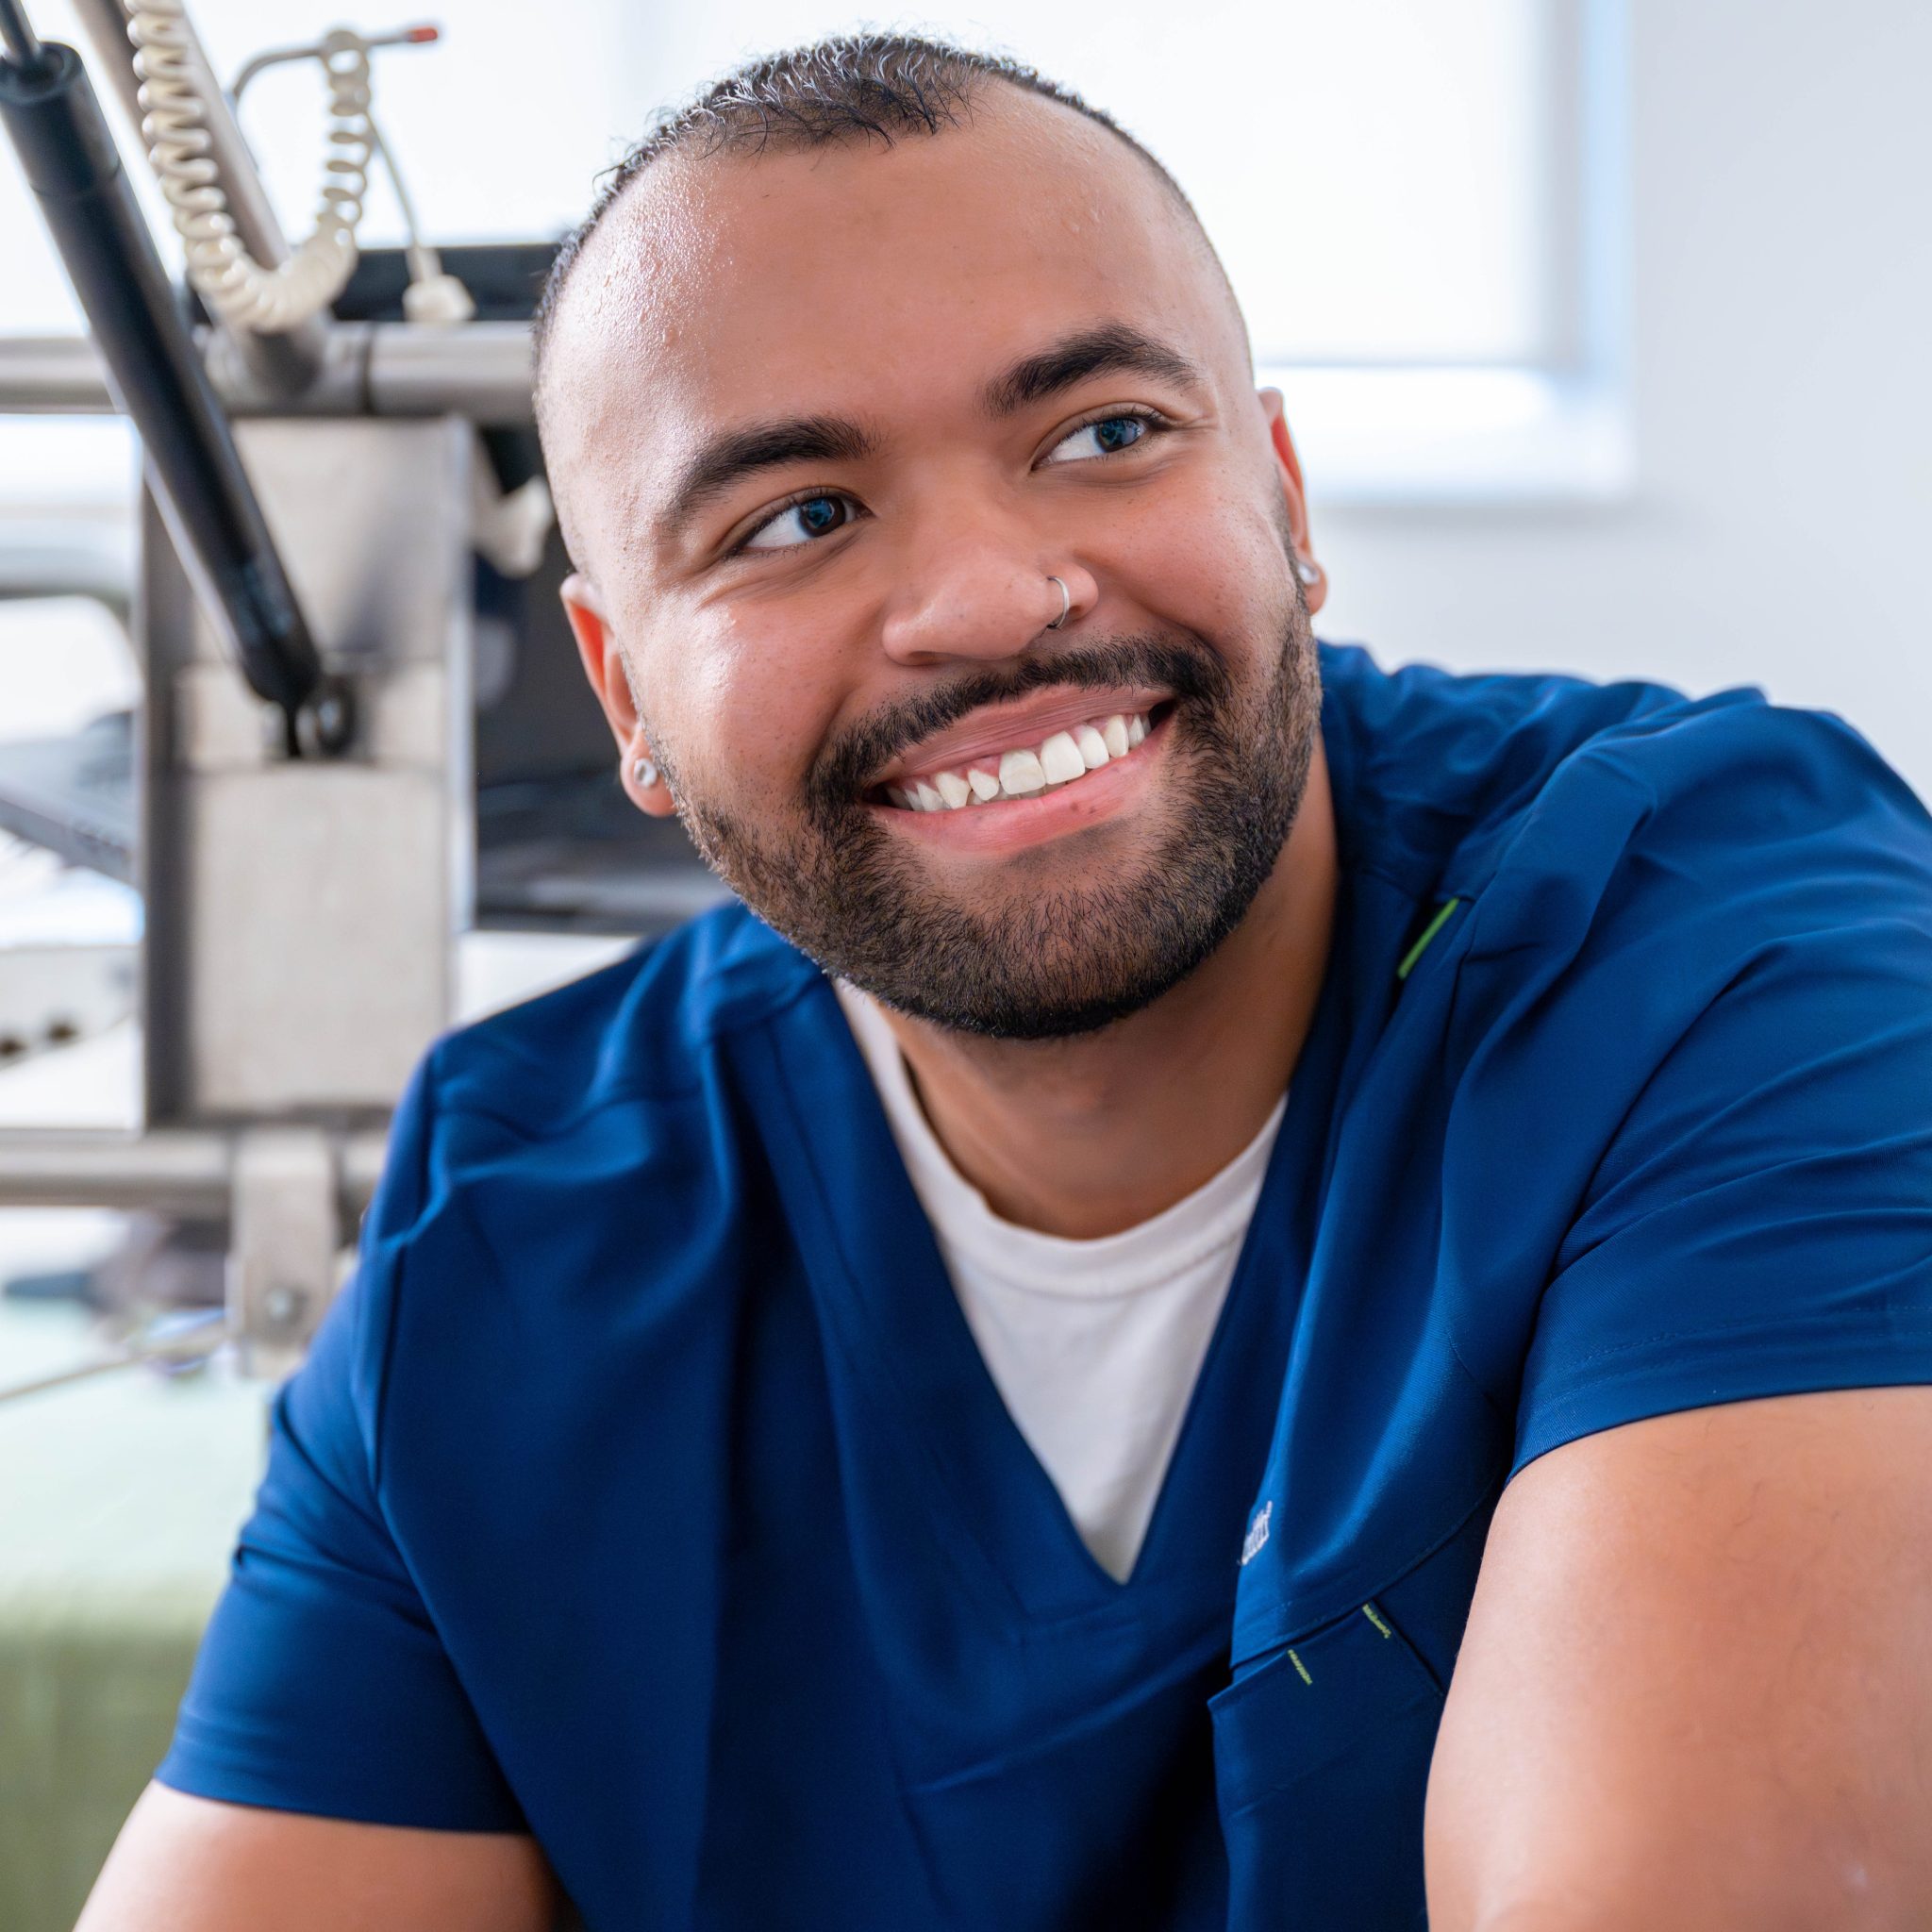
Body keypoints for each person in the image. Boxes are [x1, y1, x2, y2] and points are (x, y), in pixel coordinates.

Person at [78, 36, 1932, 1932]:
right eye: (792, 517)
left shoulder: (1727, 960)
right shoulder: (516, 1238)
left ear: (1282, 495)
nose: (982, 596)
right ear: (627, 692)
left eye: (1104, 434)